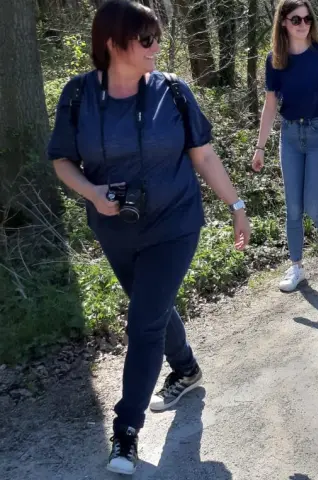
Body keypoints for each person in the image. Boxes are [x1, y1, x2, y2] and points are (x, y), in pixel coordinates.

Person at [46, 0, 251, 475]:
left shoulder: (172, 91)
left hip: (174, 223)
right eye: (146, 39)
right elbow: (62, 160)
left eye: (157, 36)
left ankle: (126, 432)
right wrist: (92, 193)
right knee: (150, 308)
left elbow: (203, 156)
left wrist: (236, 206)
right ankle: (186, 368)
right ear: (112, 44)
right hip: (114, 226)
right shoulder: (78, 96)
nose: (156, 46)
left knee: (142, 324)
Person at [251, 0, 318, 292]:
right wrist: (260, 147)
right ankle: (297, 268)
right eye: (296, 19)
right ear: (283, 22)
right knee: (293, 208)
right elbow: (270, 105)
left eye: (307, 19)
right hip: (290, 136)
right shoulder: (275, 60)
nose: (303, 24)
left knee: (313, 205)